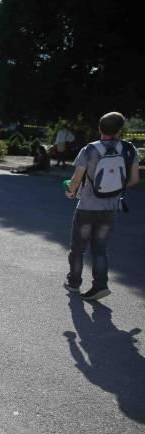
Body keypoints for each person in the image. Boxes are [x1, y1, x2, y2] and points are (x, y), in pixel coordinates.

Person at [63, 111, 139, 301]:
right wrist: (115, 189)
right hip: (110, 208)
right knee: (100, 247)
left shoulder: (89, 150)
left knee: (78, 248)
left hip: (87, 206)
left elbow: (76, 179)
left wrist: (70, 191)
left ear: (99, 128)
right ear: (121, 130)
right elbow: (134, 179)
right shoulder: (129, 150)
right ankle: (100, 285)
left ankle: (74, 284)